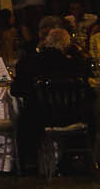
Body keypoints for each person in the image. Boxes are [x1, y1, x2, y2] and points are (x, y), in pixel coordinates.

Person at [13, 27, 85, 171]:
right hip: (70, 117)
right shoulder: (73, 65)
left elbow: (15, 90)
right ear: (66, 45)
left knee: (23, 118)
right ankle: (74, 158)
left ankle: (29, 162)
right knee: (88, 112)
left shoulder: (28, 62)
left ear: (47, 42)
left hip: (37, 117)